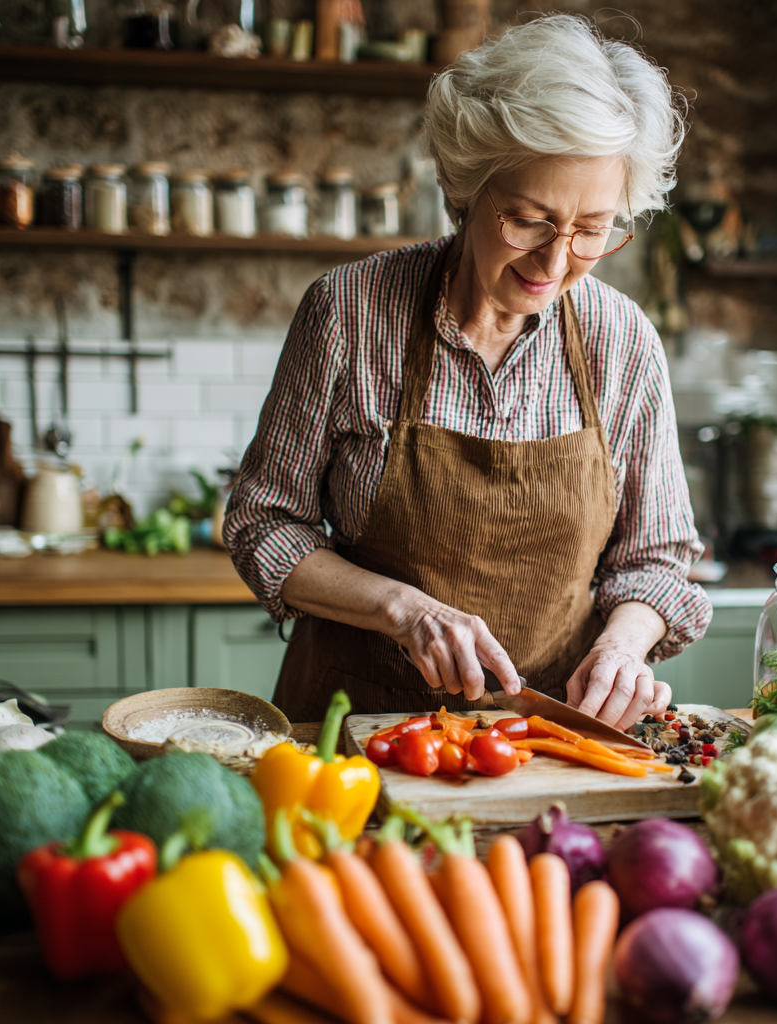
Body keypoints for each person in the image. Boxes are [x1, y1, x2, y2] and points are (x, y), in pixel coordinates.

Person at [225, 14, 711, 726]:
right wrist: (403, 609)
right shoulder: (349, 313)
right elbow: (262, 521)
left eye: (591, 229)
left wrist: (622, 647)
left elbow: (656, 560)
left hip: (547, 741)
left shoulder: (623, 341)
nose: (554, 262)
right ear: (465, 191)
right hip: (354, 730)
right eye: (528, 219)